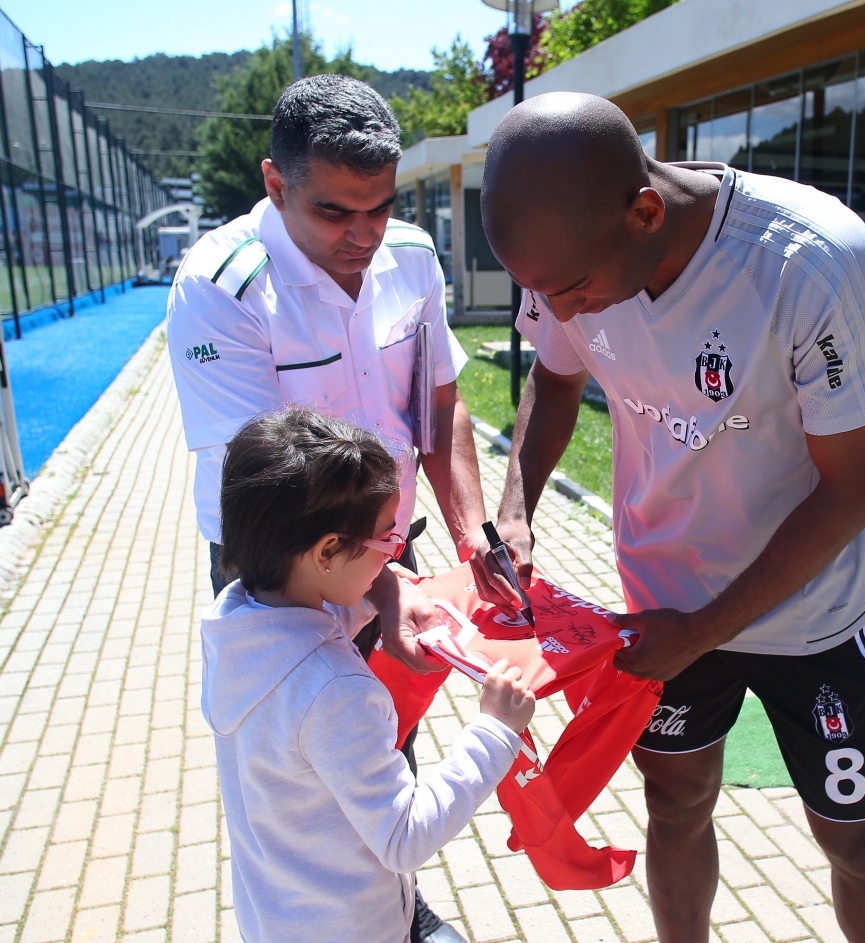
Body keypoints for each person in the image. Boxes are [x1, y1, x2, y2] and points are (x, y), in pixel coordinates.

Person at [473, 92, 865, 943]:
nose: (560, 316)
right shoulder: (568, 259)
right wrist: (516, 510)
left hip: (813, 616)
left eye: (572, 291)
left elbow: (854, 488)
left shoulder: (812, 262)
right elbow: (555, 380)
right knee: (674, 802)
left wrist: (703, 628)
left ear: (644, 212)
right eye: (539, 295)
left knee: (854, 839)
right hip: (662, 600)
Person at [168, 74, 487, 942]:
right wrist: (381, 590)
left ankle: (395, 903)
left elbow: (441, 400)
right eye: (336, 213)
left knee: (377, 737)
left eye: (380, 208)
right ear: (276, 184)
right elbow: (272, 486)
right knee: (299, 764)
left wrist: (475, 536)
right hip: (284, 550)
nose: (364, 235)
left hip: (375, 545)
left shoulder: (412, 256)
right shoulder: (221, 287)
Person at [204, 408, 535, 943]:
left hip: (274, 916)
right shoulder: (335, 693)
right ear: (328, 551)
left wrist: (381, 592)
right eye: (388, 543)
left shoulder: (233, 623)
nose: (395, 555)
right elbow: (404, 836)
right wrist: (495, 731)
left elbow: (313, 608)